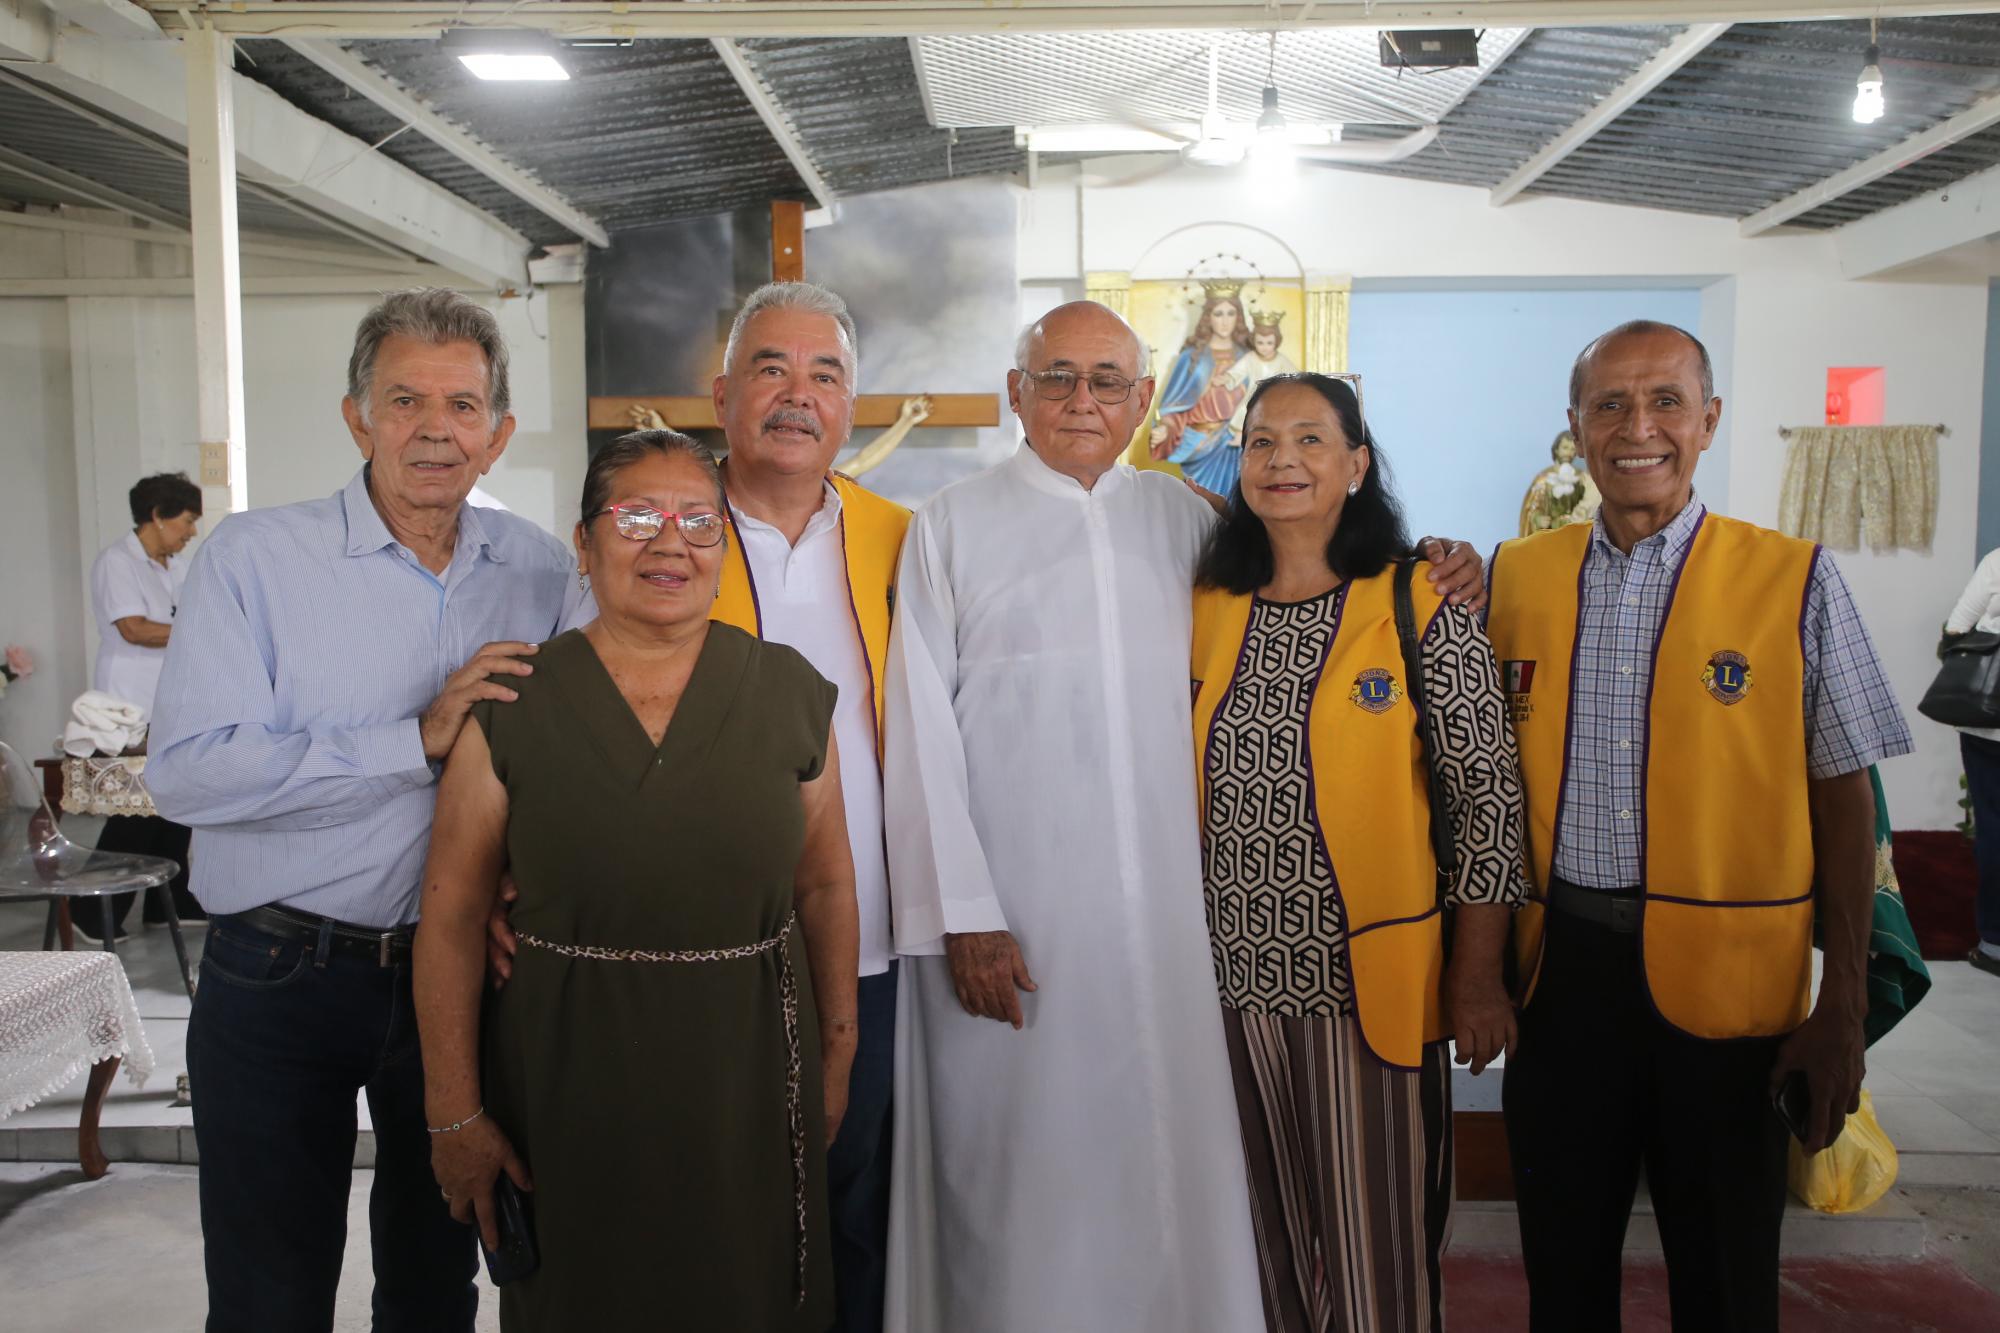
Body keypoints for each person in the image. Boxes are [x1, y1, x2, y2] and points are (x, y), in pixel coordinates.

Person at [881, 302, 1487, 1333]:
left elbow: (1320, 572)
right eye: (1058, 376)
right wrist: (964, 914)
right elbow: (917, 733)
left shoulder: (1187, 524)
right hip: (1013, 931)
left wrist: (1443, 558)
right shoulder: (947, 525)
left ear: (1140, 396)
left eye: (1109, 379)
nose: (1083, 399)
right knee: (1017, 1179)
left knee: (1181, 1174)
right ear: (1014, 391)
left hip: (1177, 936)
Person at [147, 287, 582, 1332]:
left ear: (499, 432)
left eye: (463, 405)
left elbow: (566, 759)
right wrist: (413, 740)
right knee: (270, 1290)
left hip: (459, 979)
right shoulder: (255, 561)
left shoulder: (538, 568)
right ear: (356, 416)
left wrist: (523, 874)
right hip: (277, 976)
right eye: (404, 400)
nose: (435, 428)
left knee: (436, 1283)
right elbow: (189, 775)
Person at [489, 280, 910, 1333]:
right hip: (665, 963)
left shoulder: (906, 540)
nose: (795, 394)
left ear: (852, 402)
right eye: (769, 367)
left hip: (867, 938)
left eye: (824, 374)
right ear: (721, 392)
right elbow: (554, 711)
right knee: (663, 1224)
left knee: (847, 1219)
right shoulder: (653, 526)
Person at [1486, 320, 1912, 1332]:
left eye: (1664, 401)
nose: (1637, 428)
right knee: (1562, 1264)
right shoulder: (1512, 578)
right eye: (1608, 405)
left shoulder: (1791, 577)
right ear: (1576, 428)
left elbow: (1842, 799)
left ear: (1708, 419)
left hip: (1735, 998)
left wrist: (1839, 1003)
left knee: (1725, 1279)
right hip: (1560, 983)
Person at [417, 430, 859, 1330]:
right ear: (584, 543)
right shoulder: (517, 701)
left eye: (700, 520)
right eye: (637, 516)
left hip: (748, 1072)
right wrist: (453, 1112)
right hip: (565, 1077)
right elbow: (456, 915)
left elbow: (825, 887)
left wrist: (839, 1051)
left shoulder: (788, 690)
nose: (671, 543)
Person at [1190, 373, 1526, 1333]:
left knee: (1375, 1262)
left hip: (1369, 993)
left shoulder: (1420, 596)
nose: (1282, 459)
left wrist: (1477, 975)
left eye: (1309, 439)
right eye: (1261, 441)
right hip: (1229, 991)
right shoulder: (1213, 600)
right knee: (1267, 1252)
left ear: (1357, 464)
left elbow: (1486, 800)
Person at [82, 471, 205, 939]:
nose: (191, 532)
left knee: (172, 799)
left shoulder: (170, 566)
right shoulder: (118, 561)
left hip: (168, 696)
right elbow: (133, 628)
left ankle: (167, 900)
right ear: (157, 516)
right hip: (129, 702)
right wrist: (199, 631)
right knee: (132, 811)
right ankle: (94, 911)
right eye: (187, 521)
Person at [1943, 547, 2000, 978]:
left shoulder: (1998, 561)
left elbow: (1955, 631)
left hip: (1989, 725)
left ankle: (1994, 943)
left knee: (1994, 826)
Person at [1151, 286, 1254, 493]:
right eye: (1218, 313)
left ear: (1238, 317)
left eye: (1230, 313)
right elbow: (1174, 406)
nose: (1225, 321)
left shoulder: (1249, 358)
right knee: (1201, 507)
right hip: (1199, 444)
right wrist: (1166, 428)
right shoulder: (1191, 358)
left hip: (1238, 445)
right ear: (1208, 317)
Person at [1517, 429, 1601, 536]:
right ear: (1556, 449)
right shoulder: (1544, 479)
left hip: (1574, 533)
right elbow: (1533, 507)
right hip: (1551, 534)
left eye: (1572, 449)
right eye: (1565, 448)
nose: (1569, 453)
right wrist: (1538, 519)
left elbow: (1591, 502)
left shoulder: (1582, 478)